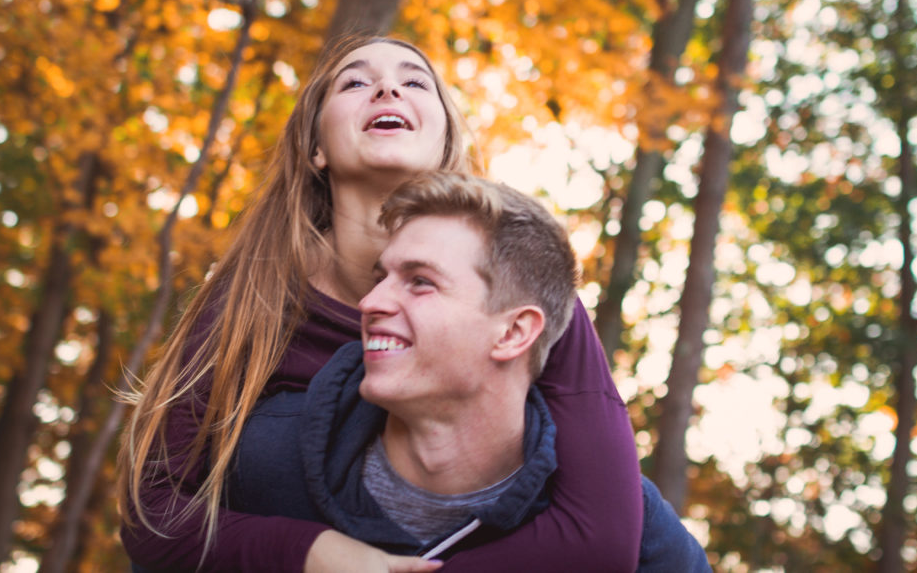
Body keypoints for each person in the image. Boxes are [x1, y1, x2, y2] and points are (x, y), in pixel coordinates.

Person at [118, 35, 644, 572]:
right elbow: (152, 512)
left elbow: (603, 535)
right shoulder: (251, 296)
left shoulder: (521, 283)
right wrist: (312, 553)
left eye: (415, 82)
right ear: (315, 148)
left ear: (446, 144)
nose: (388, 87)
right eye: (354, 82)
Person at [226, 172, 574, 560]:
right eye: (381, 278)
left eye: (420, 281)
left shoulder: (618, 524)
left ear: (512, 332)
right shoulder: (259, 457)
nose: (370, 301)